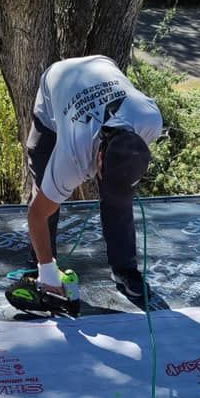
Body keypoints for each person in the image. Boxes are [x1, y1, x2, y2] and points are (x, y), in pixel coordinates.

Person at [25, 54, 163, 306]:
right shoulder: (72, 157)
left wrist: (117, 187)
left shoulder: (150, 121)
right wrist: (48, 271)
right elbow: (36, 215)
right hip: (57, 83)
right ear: (98, 158)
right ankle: (42, 266)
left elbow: (121, 177)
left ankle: (125, 270)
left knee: (118, 201)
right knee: (44, 188)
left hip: (102, 66)